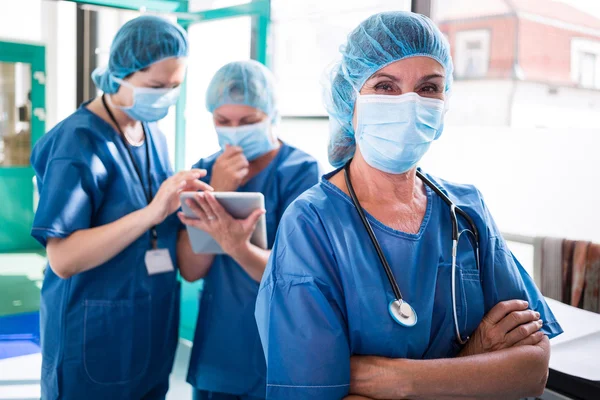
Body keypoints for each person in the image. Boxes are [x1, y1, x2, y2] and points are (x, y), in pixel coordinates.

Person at [255, 11, 563, 400]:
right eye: (385, 86)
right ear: (349, 99)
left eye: (429, 87)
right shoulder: (313, 222)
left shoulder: (465, 209)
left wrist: (397, 380)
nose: (410, 103)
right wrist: (475, 360)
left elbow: (532, 369)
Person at [31, 16, 211, 400]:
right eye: (155, 86)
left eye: (175, 86)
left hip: (150, 329)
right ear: (120, 74)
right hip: (93, 336)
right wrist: (151, 212)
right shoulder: (76, 142)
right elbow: (62, 258)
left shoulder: (154, 136)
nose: (165, 96)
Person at [177, 60, 321, 400]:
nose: (235, 131)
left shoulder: (300, 171)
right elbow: (191, 269)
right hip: (219, 343)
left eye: (249, 121)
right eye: (224, 121)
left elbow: (294, 276)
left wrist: (234, 243)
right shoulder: (205, 169)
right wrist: (216, 189)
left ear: (271, 114)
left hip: (274, 342)